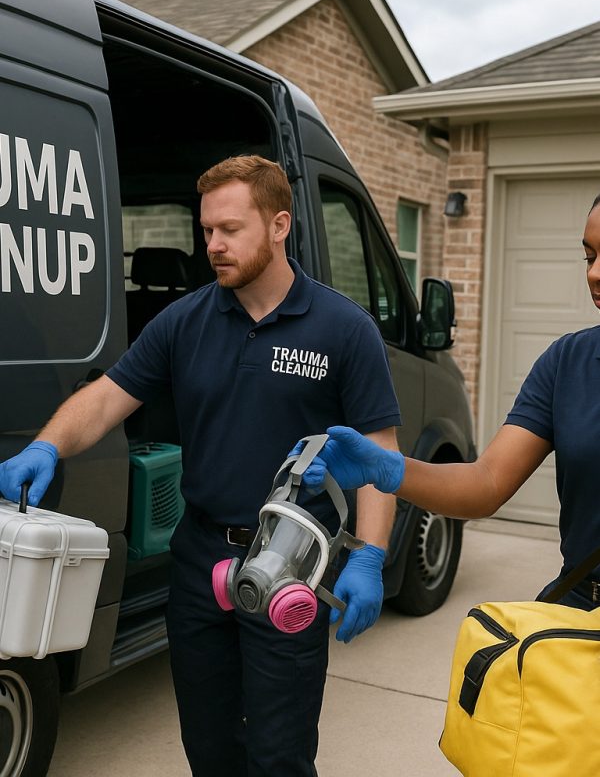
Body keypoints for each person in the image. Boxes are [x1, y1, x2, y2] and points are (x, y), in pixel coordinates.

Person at [0, 155, 400, 777]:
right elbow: (107, 398)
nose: (212, 244)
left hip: (291, 565)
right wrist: (47, 444)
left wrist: (371, 556)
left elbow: (381, 456)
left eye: (230, 229)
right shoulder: (185, 322)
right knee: (209, 748)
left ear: (278, 225)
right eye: (207, 228)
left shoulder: (344, 330)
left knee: (279, 757)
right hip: (199, 563)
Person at [297, 193, 600, 613]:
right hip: (581, 615)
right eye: (589, 257)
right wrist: (390, 469)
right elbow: (487, 483)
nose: (595, 275)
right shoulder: (568, 363)